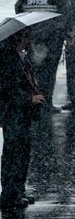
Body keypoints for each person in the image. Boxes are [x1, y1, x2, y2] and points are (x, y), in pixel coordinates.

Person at [14, 0, 74, 111]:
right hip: (52, 38)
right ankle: (46, 103)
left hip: (31, 37)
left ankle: (33, 100)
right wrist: (65, 32)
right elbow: (67, 11)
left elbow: (18, 8)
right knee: (49, 70)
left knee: (32, 69)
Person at [0, 29, 44, 209]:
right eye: (28, 37)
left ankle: (17, 190)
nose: (31, 41)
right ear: (20, 37)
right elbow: (8, 88)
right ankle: (10, 194)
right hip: (13, 112)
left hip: (21, 113)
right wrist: (29, 99)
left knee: (22, 152)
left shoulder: (19, 56)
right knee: (14, 152)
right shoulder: (8, 58)